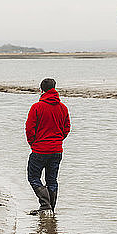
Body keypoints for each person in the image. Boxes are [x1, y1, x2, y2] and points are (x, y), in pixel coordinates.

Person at [25, 78, 70, 215]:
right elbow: (67, 128)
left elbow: (29, 129)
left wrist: (33, 143)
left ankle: (45, 206)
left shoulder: (36, 107)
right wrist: (58, 140)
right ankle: (51, 208)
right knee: (52, 179)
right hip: (56, 150)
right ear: (54, 88)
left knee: (33, 177)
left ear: (41, 90)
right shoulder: (63, 108)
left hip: (40, 149)